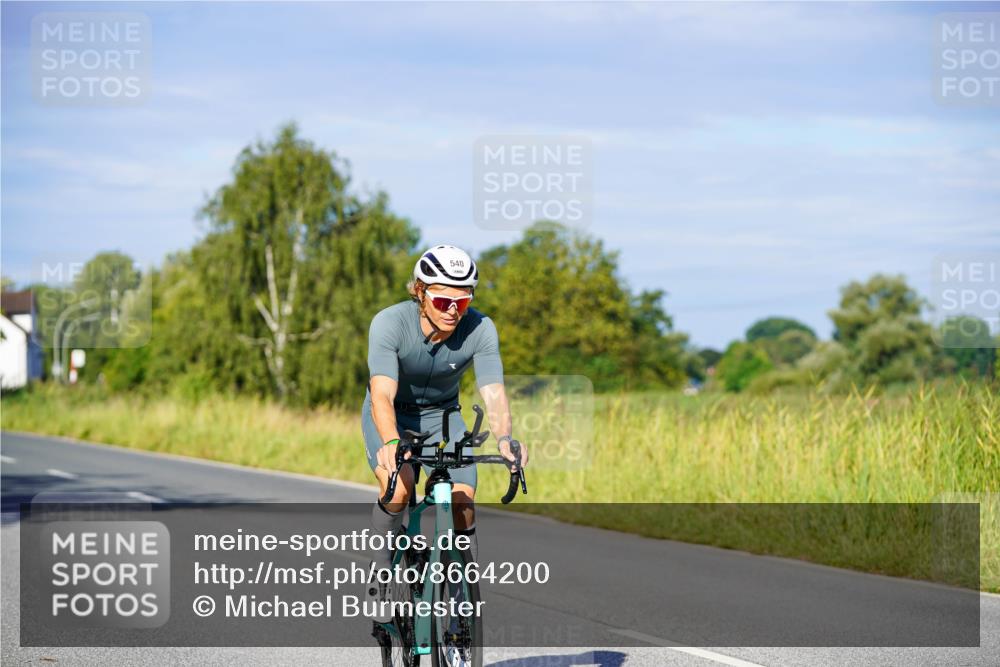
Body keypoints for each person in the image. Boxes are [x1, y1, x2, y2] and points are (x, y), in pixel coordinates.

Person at [361, 244, 528, 597]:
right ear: (420, 292)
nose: (453, 311)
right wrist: (391, 442)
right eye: (442, 301)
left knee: (462, 503)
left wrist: (504, 439)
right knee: (400, 488)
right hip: (393, 414)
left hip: (443, 417)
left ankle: (462, 601)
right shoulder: (389, 323)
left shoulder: (480, 328)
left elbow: (494, 393)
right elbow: (382, 394)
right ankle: (380, 574)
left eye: (462, 302)